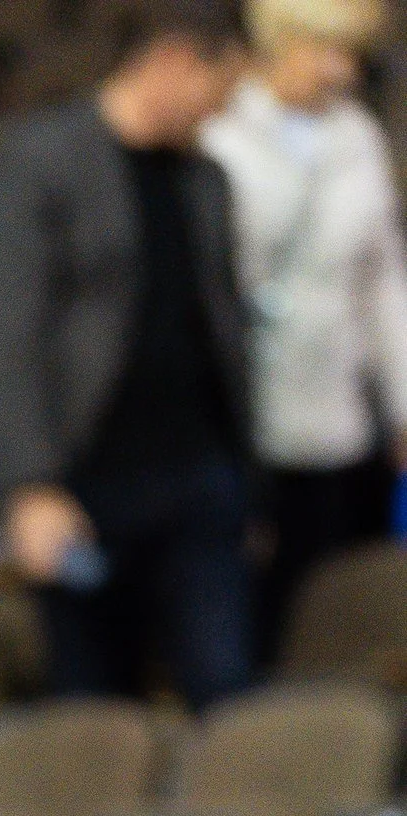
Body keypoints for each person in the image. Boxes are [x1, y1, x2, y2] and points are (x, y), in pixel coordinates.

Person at [0, 0, 258, 707]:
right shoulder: (43, 161)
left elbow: (222, 326)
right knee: (95, 699)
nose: (219, 116)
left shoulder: (206, 180)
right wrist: (32, 485)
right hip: (89, 480)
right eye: (217, 94)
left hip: (201, 476)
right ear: (173, 60)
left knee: (223, 688)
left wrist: (250, 483)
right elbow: (11, 333)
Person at [207, 0, 407, 655]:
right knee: (273, 605)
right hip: (257, 420)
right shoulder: (224, 140)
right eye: (325, 51)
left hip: (347, 414)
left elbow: (383, 281)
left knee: (357, 592)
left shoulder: (359, 139)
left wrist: (403, 403)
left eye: (347, 54)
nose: (339, 70)